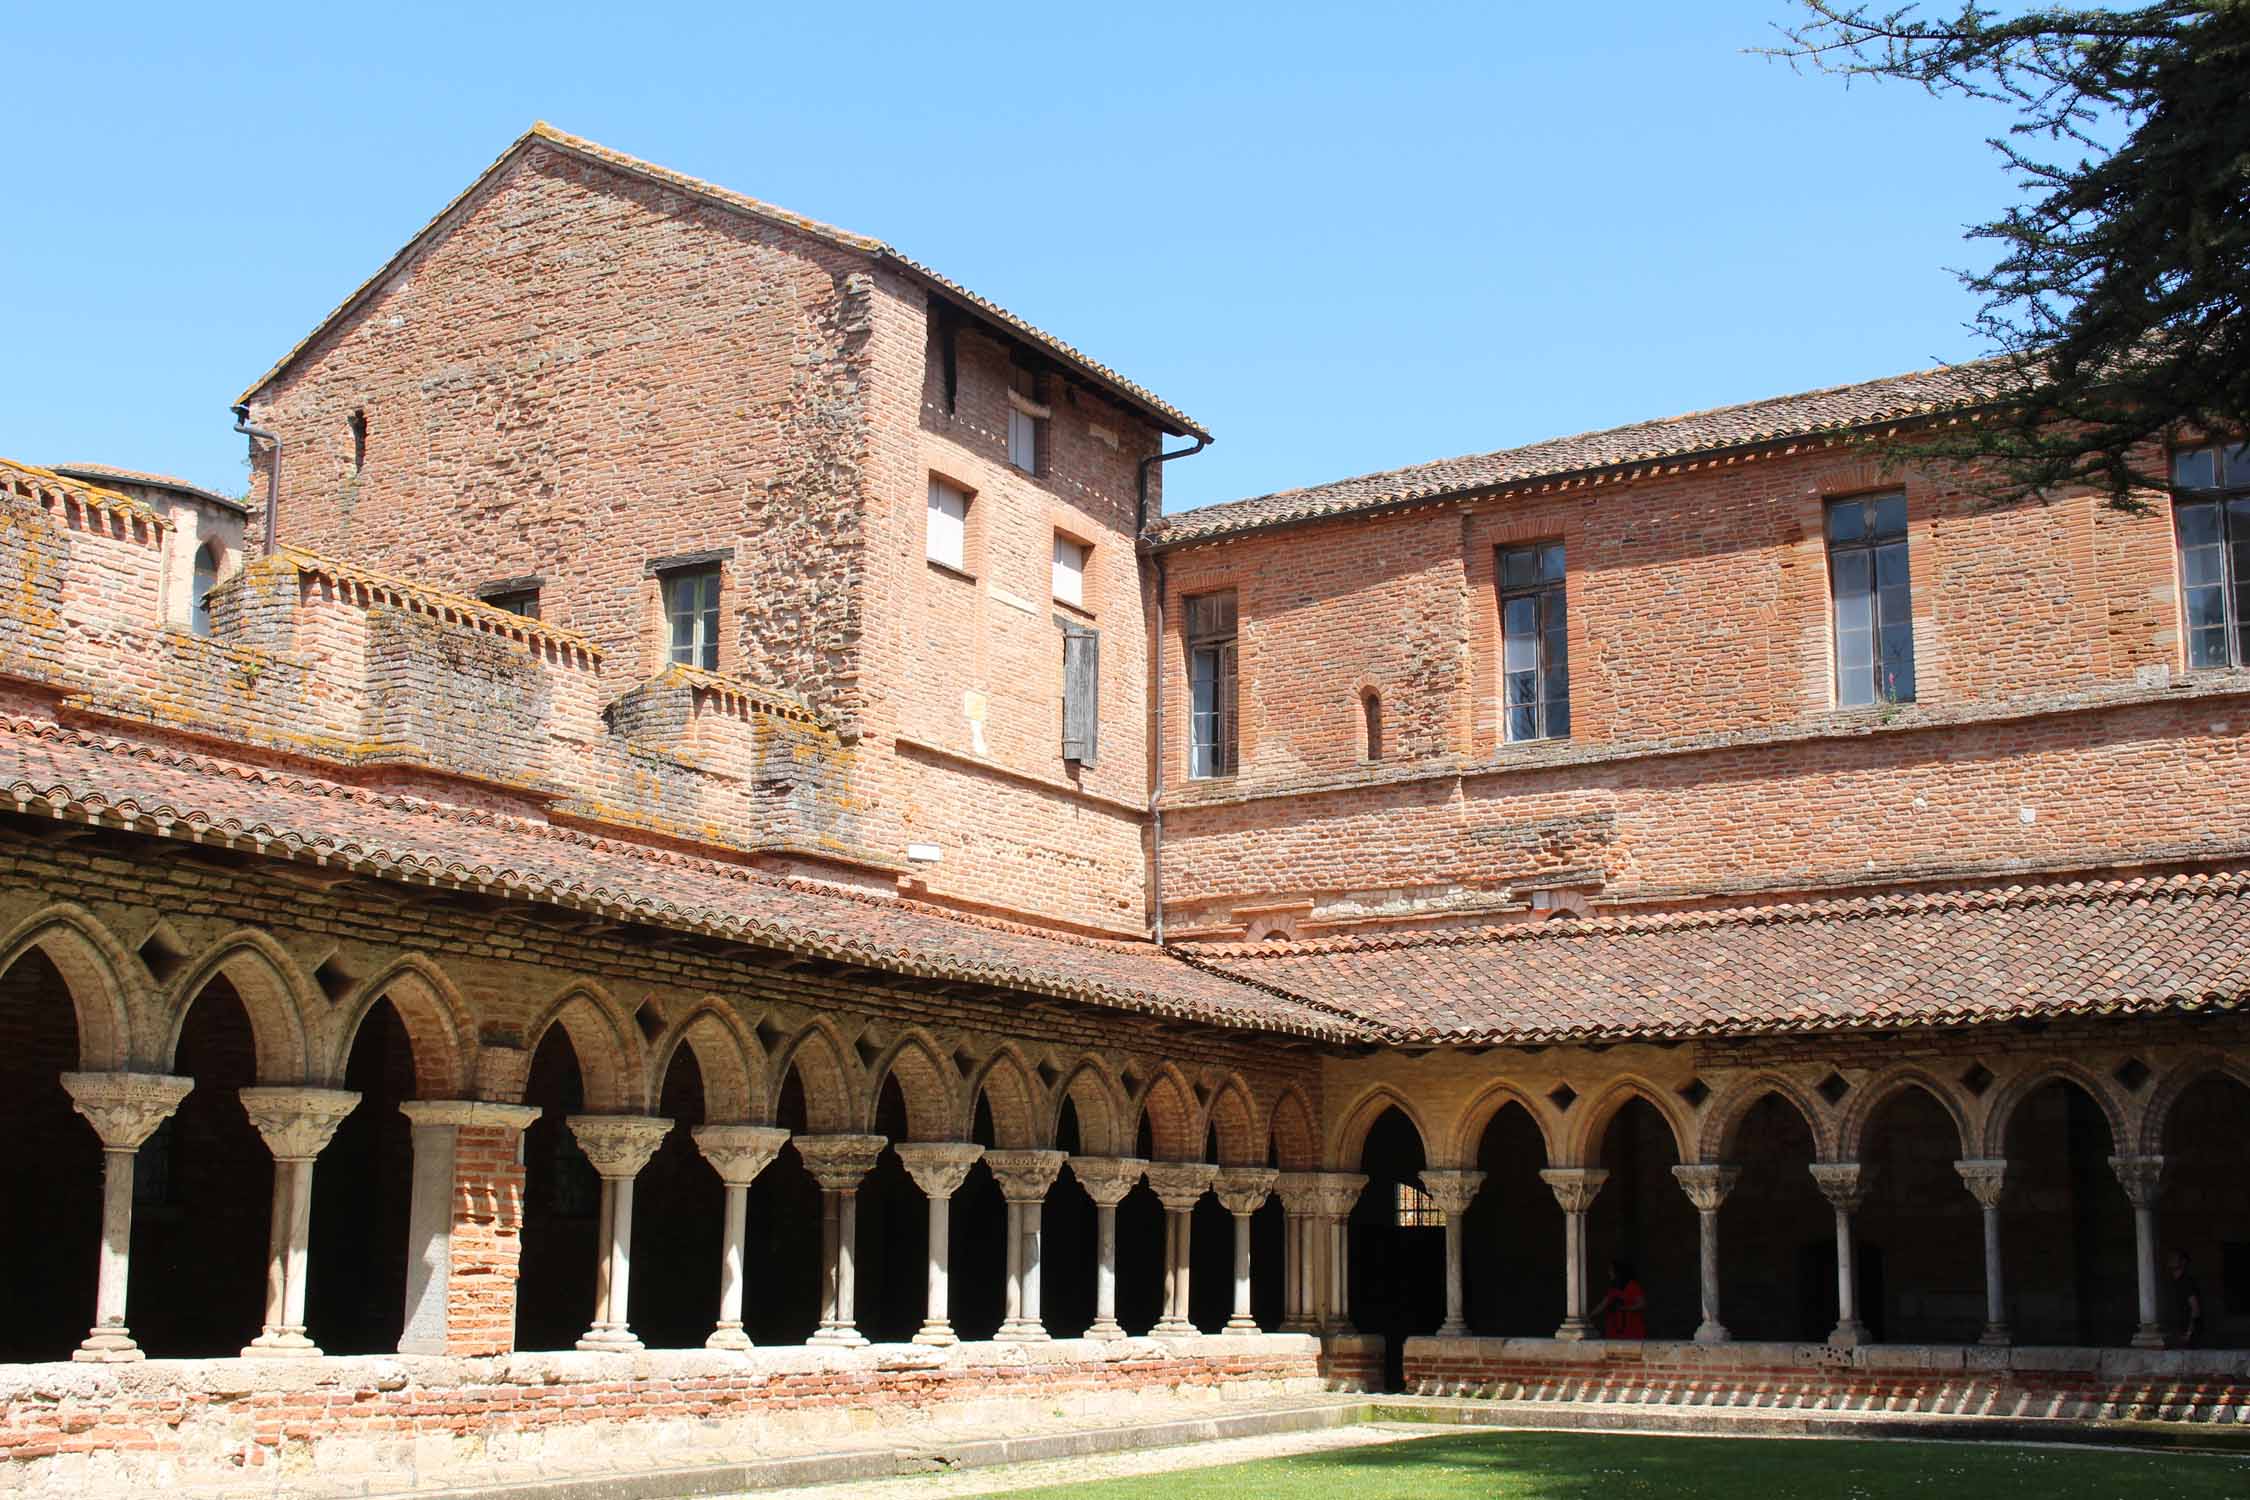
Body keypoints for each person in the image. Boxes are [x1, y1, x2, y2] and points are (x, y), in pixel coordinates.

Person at [1591, 1259, 1646, 1340]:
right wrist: (1589, 1316)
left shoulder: (1632, 1286)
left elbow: (1642, 1304)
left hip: (1632, 1331)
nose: (1609, 1273)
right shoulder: (1613, 1289)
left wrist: (1624, 1308)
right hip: (1615, 1331)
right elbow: (1602, 1305)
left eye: (1611, 1270)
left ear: (1618, 1272)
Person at [2166, 1249, 2202, 1348]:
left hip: (2185, 1336)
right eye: (2171, 1257)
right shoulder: (2173, 1282)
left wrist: (2189, 1333)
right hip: (2175, 1332)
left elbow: (2195, 1309)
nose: (2171, 1259)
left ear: (2183, 1262)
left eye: (2175, 1257)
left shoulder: (2186, 1282)